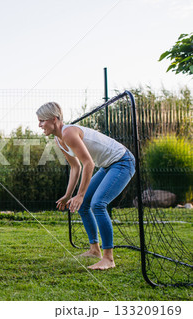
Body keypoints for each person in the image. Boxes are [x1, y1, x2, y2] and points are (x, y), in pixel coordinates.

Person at [36, 102, 135, 270]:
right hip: (108, 166)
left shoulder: (68, 132)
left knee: (98, 203)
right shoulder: (59, 140)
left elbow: (88, 163)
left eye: (41, 121)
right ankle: (94, 250)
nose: (39, 125)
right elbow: (76, 167)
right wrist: (69, 195)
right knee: (84, 206)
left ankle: (108, 258)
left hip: (123, 162)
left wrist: (80, 194)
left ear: (54, 119)